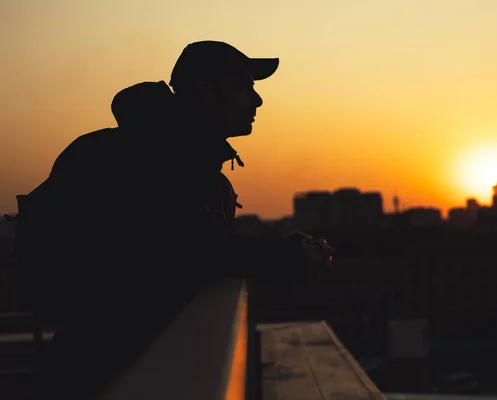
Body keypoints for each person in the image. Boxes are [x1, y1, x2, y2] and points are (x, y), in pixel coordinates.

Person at [20, 41, 333, 398]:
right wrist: (283, 256)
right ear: (205, 92)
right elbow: (192, 245)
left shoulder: (169, 151)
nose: (256, 100)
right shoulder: (150, 155)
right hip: (97, 370)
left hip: (102, 360)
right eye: (244, 86)